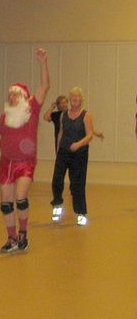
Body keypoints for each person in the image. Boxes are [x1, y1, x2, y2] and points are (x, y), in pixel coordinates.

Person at [0, 48, 50, 253]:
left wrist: (43, 62)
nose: (11, 97)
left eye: (15, 94)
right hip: (6, 163)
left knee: (20, 197)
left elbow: (45, 86)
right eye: (9, 94)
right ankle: (12, 238)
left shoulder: (32, 107)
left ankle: (23, 233)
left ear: (23, 96)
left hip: (25, 162)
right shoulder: (5, 115)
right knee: (6, 203)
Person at [50, 87, 95, 225]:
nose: (75, 98)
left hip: (79, 154)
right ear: (69, 99)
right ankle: (57, 204)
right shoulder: (63, 115)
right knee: (57, 179)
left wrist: (78, 144)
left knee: (77, 184)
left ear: (81, 100)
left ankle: (81, 213)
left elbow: (90, 135)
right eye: (72, 96)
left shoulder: (86, 115)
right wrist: (58, 150)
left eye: (77, 96)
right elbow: (60, 133)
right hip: (64, 152)